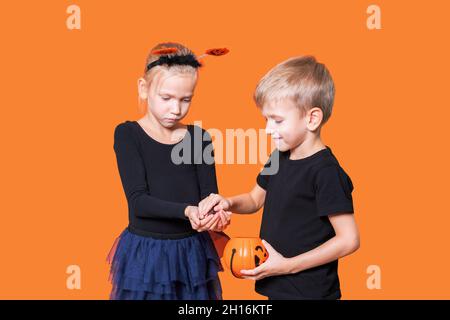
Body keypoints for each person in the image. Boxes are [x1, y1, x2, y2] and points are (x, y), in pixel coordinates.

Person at [199, 55, 360, 300]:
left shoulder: (325, 171)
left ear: (312, 118)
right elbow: (254, 200)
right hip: (278, 288)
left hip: (310, 294)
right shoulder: (279, 157)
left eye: (277, 120)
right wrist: (228, 202)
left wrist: (288, 265)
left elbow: (349, 240)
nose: (267, 129)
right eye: (266, 119)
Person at [106, 42, 231, 300]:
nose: (176, 109)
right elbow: (138, 201)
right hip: (147, 254)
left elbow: (209, 196)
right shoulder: (128, 135)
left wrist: (215, 214)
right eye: (167, 98)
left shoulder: (200, 138)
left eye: (186, 99)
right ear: (144, 88)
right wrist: (187, 211)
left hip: (192, 254)